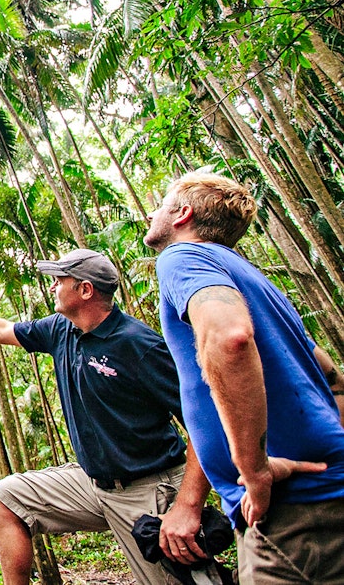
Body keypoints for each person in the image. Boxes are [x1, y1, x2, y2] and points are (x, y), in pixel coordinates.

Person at [0, 250, 209, 585]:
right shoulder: (61, 330)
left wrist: (188, 505)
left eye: (60, 280)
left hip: (148, 488)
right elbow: (3, 328)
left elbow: (206, 425)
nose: (53, 286)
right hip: (92, 483)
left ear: (85, 290)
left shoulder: (138, 344)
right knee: (7, 496)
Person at [145, 172, 344, 582]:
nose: (152, 213)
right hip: (326, 492)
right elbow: (332, 375)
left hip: (291, 513)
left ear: (182, 213)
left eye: (162, 204)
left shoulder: (181, 257)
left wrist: (253, 470)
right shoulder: (253, 278)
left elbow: (229, 337)